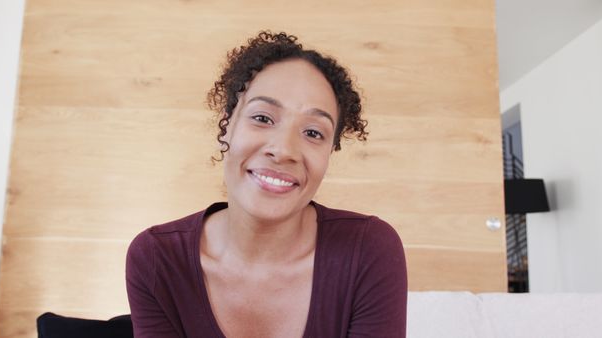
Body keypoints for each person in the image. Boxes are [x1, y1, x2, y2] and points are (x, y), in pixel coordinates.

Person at [126, 31, 408, 338]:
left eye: (313, 133)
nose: (284, 150)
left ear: (330, 153)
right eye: (262, 118)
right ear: (226, 127)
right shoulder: (157, 259)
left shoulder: (368, 251)